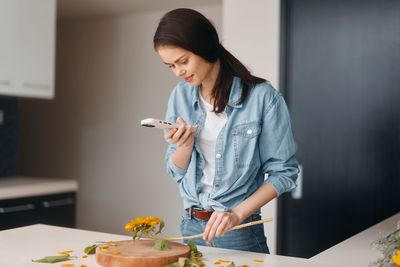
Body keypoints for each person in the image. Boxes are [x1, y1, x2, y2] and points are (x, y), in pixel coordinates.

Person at [153, 8, 299, 253]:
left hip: (238, 231)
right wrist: (184, 146)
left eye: (183, 61)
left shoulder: (263, 98)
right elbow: (175, 171)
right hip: (191, 225)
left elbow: (284, 173)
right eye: (170, 66)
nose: (178, 73)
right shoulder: (180, 96)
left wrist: (236, 215)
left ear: (205, 47)